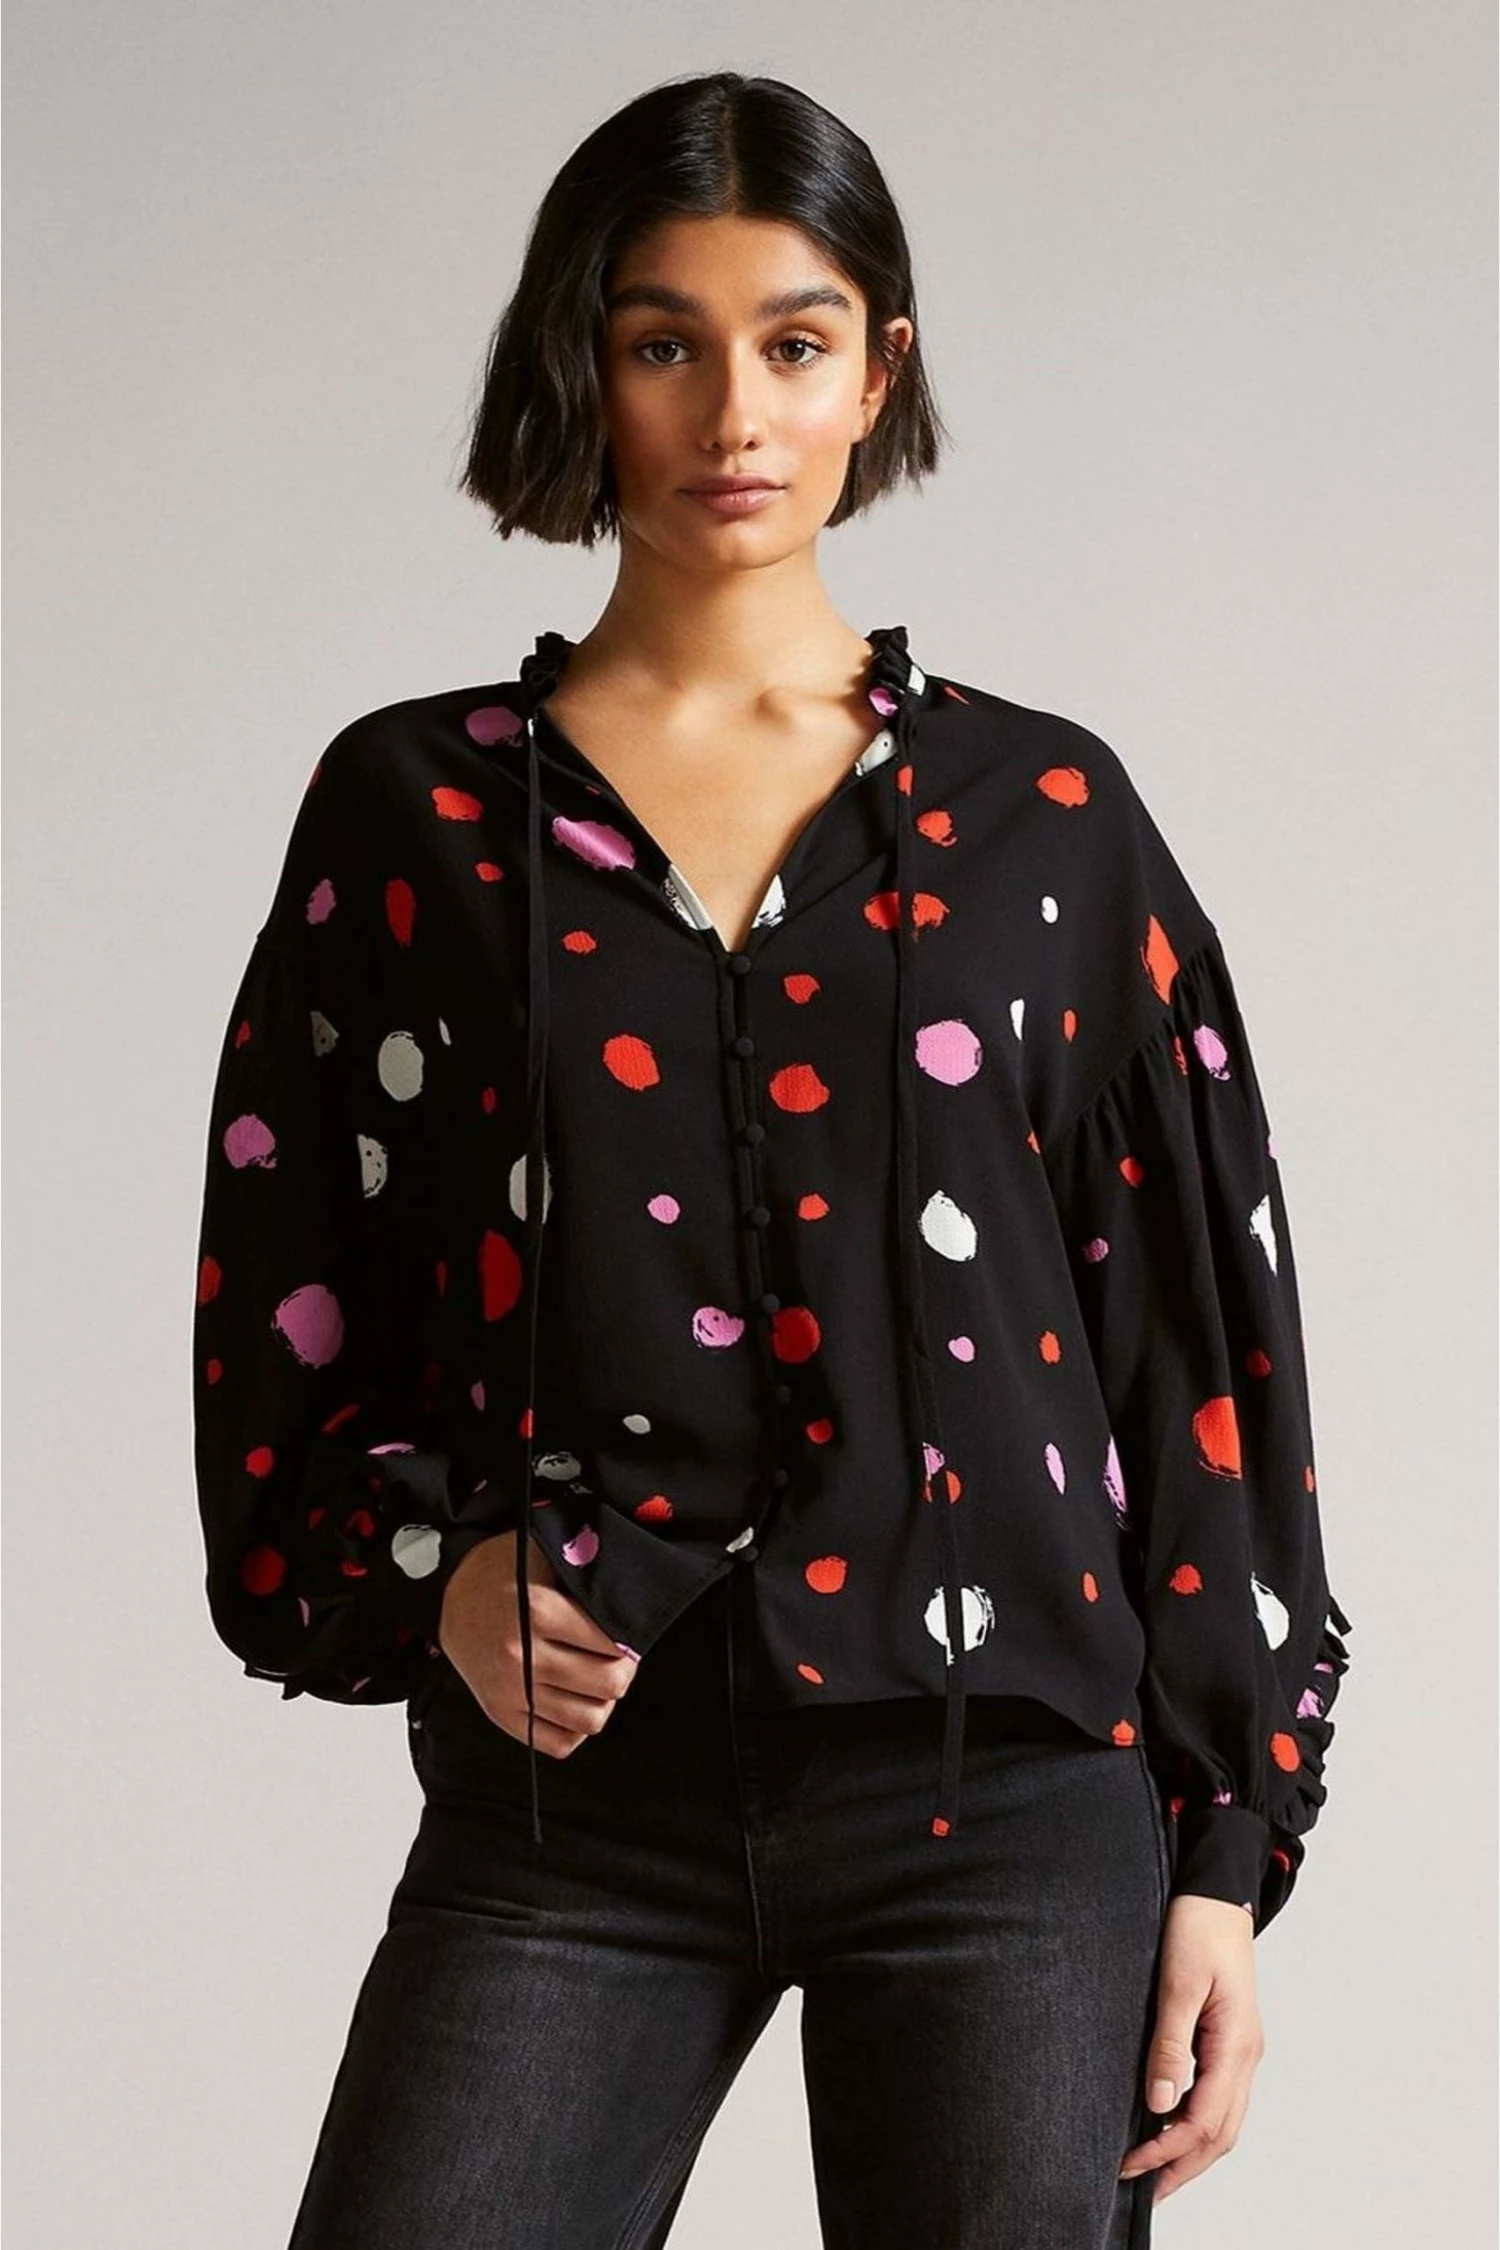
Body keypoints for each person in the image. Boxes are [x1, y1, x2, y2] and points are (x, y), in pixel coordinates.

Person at [191, 70, 1353, 2250]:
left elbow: (1200, 1352)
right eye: (665, 341)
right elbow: (288, 1297)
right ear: (583, 363)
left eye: (794, 342)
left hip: (1009, 1794)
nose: (734, 411)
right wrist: (434, 1573)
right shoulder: (414, 817)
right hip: (576, 1809)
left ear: (875, 370)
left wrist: (1224, 1856)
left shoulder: (1048, 827)